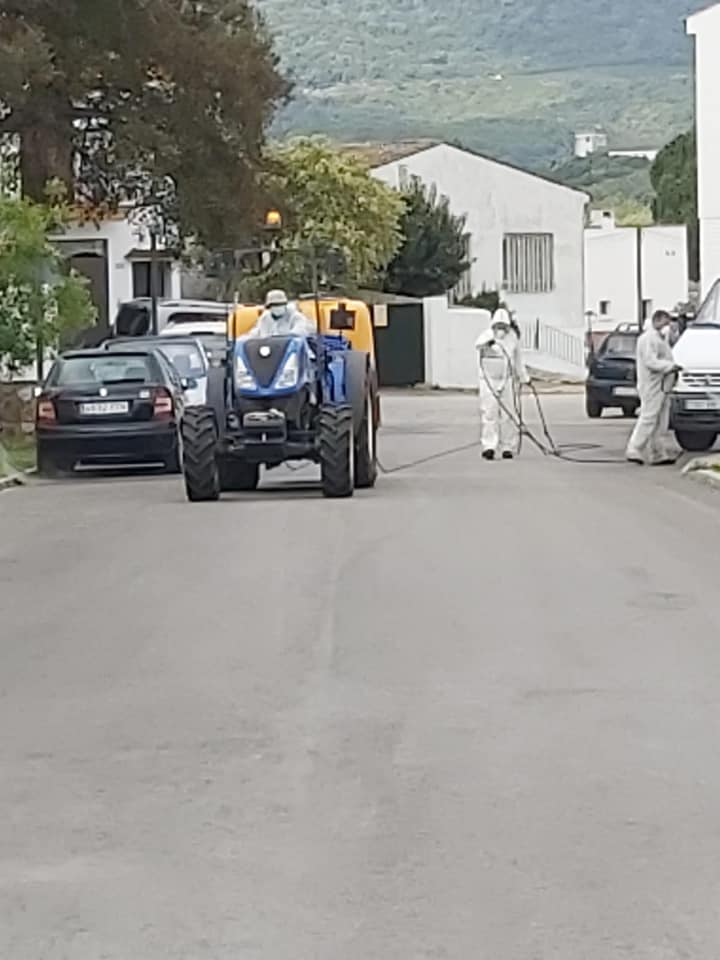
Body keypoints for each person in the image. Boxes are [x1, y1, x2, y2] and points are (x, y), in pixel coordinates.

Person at [625, 309, 681, 465]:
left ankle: (657, 452)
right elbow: (650, 361)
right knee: (648, 417)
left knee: (660, 420)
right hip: (651, 384)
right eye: (666, 322)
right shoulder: (648, 339)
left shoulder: (660, 339)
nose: (668, 326)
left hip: (662, 384)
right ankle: (634, 448)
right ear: (657, 320)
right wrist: (670, 366)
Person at [475, 307, 529, 460]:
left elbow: (518, 360)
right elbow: (477, 344)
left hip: (507, 380)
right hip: (488, 381)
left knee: (509, 415)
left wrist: (524, 378)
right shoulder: (487, 335)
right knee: (489, 413)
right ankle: (489, 446)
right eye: (498, 326)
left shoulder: (512, 338)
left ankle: (508, 447)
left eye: (503, 326)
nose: (500, 329)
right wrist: (489, 343)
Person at [248, 289, 315, 338]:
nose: (277, 307)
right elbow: (256, 332)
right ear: (269, 306)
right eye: (274, 305)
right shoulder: (265, 318)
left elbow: (300, 330)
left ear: (285, 304)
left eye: (280, 304)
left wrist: (285, 336)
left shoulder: (295, 316)